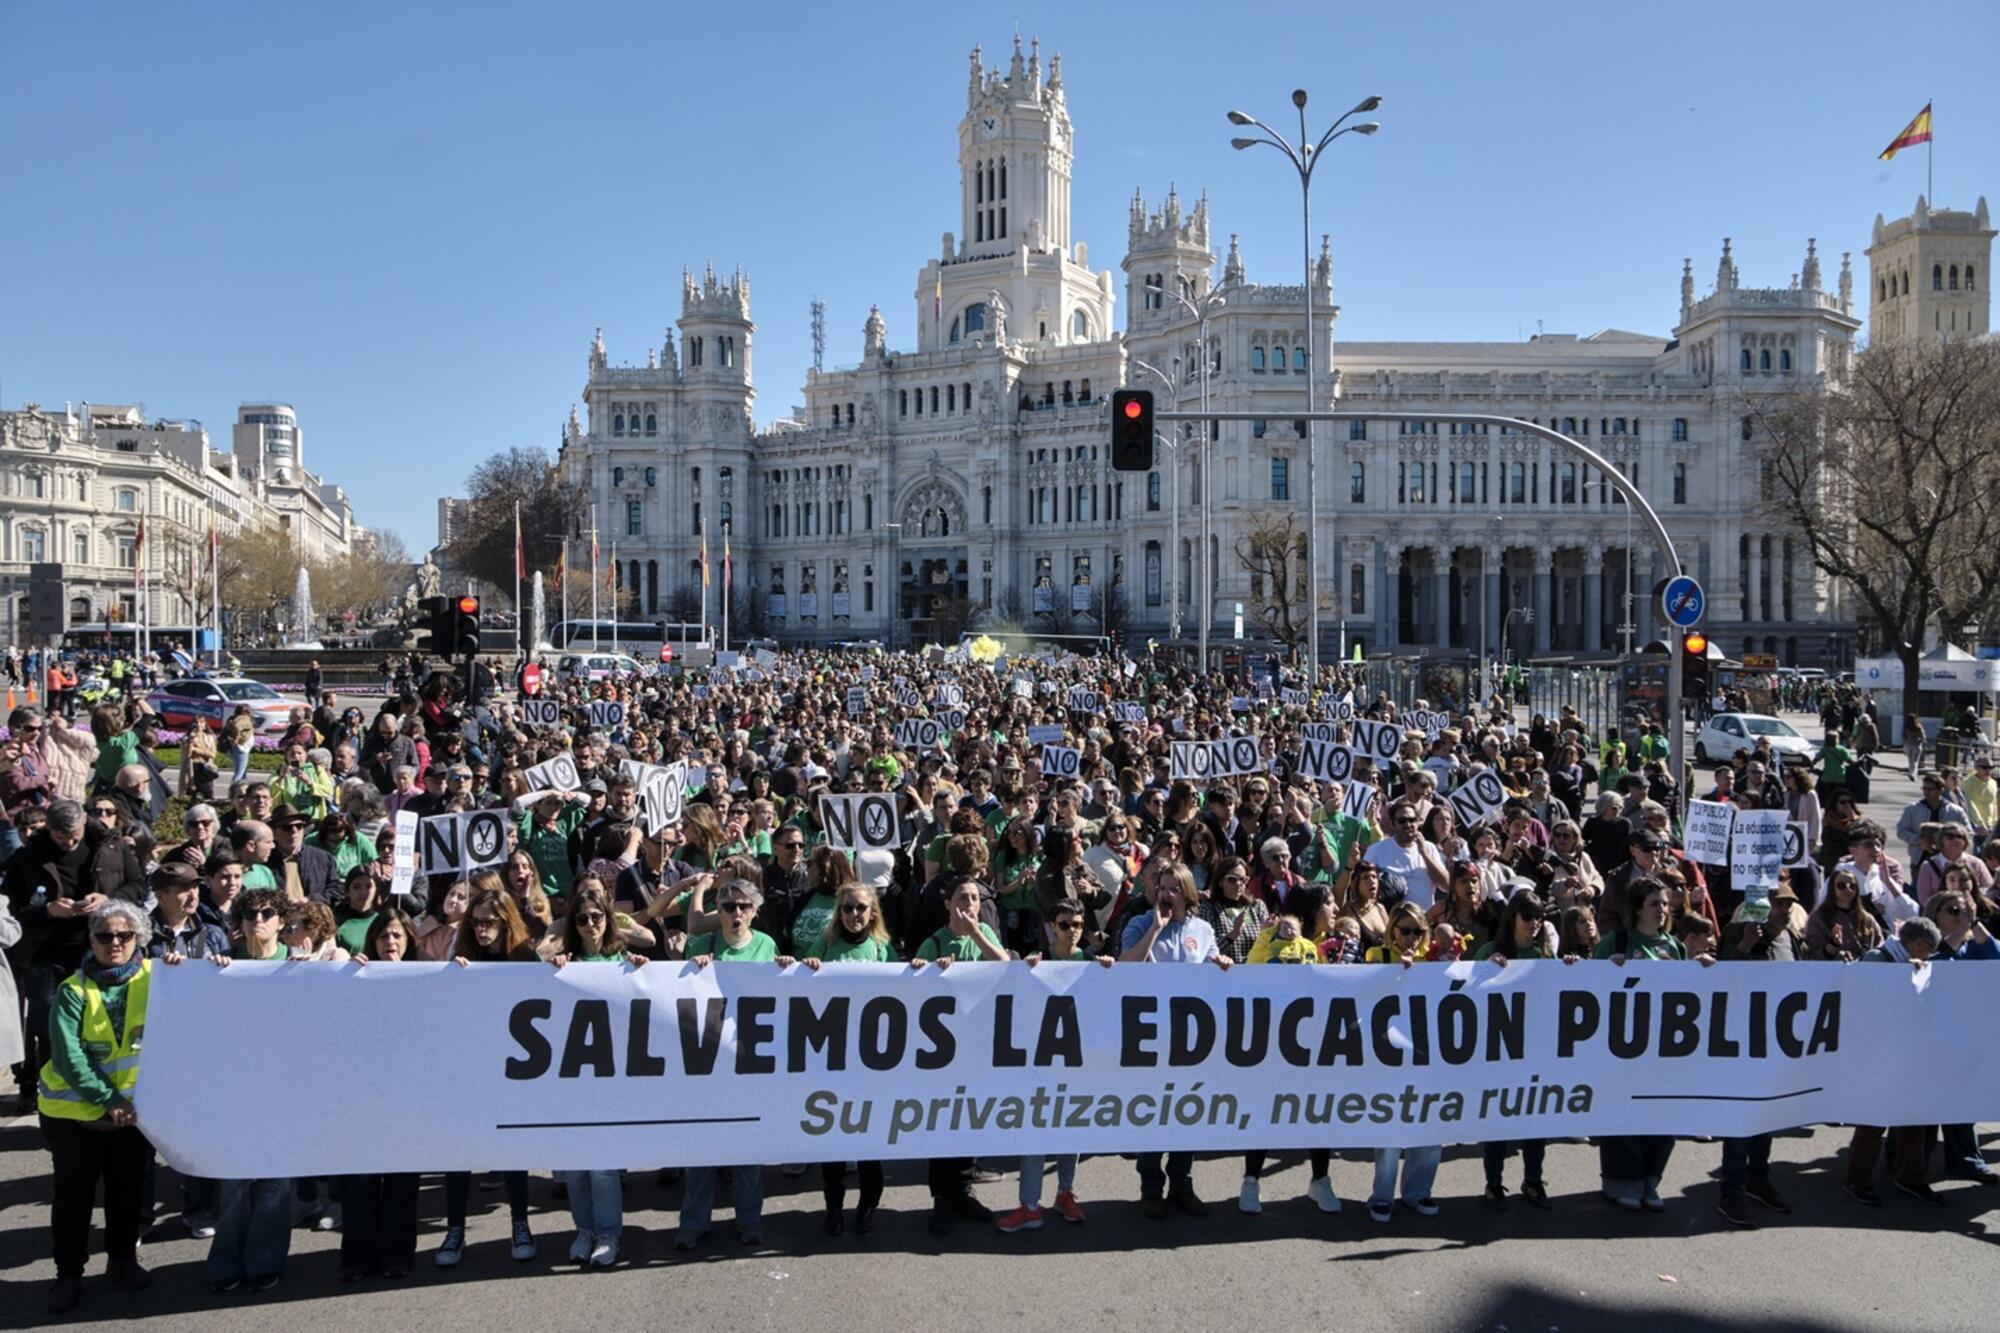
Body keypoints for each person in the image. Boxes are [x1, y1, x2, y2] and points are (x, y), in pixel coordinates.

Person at [37, 900, 156, 1314]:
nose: (115, 943)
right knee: (74, 1198)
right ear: (91, 940)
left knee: (128, 1192)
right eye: (104, 936)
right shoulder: (72, 991)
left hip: (133, 1115)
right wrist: (110, 1101)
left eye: (125, 936)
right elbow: (69, 1059)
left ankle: (122, 1261)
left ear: (139, 939)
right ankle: (68, 1275)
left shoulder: (159, 978)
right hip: (74, 1117)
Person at [4, 799, 147, 1108]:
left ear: (84, 823)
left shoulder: (111, 846)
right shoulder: (28, 857)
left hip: (101, 951)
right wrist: (47, 910)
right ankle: (56, 1094)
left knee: (99, 1026)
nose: (68, 843)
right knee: (52, 1028)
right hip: (47, 953)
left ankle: (104, 1091)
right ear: (48, 830)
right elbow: (12, 907)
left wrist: (109, 899)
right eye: (60, 837)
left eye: (74, 836)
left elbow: (138, 886)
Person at [1594, 879, 1711, 1210]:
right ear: (1637, 909)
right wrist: (1606, 971)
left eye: (1664, 904)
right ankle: (1621, 1183)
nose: (1662, 910)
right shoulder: (1615, 942)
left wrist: (1701, 970)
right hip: (1623, 1049)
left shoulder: (1673, 947)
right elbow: (1587, 989)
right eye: (1654, 904)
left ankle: (1650, 1180)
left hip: (1664, 1050)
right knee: (1624, 1116)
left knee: (1662, 1116)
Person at [1118, 861, 1227, 1218]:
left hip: (1192, 1039)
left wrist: (1221, 964)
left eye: (1173, 889)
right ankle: (1151, 1187)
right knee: (1155, 1112)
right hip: (1150, 1036)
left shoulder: (1202, 928)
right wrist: (1155, 928)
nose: (1165, 895)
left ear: (1187, 894)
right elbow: (1125, 965)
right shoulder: (1138, 924)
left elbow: (1210, 966)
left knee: (1188, 1112)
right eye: (1161, 888)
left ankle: (1183, 1183)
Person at [678, 880, 782, 1249]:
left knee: (747, 1153)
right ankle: (693, 1224)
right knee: (701, 1151)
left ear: (754, 910)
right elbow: (679, 994)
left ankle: (750, 1221)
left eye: (743, 906)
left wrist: (786, 968)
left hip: (748, 1062)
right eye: (727, 907)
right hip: (707, 1063)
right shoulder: (700, 945)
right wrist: (694, 966)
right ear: (717, 912)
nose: (735, 913)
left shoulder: (767, 945)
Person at [995, 896, 1109, 1233]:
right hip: (1041, 1063)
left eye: (1076, 925)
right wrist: (1027, 973)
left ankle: (1065, 1193)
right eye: (1064, 925)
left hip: (1076, 1063)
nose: (1072, 931)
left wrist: (1108, 971)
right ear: (1051, 927)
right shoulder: (1037, 963)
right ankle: (1030, 1205)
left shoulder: (1092, 962)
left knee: (1070, 1132)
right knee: (1035, 1135)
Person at [339, 909, 422, 1282]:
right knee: (360, 1183)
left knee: (402, 1183)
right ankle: (357, 1257)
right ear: (373, 941)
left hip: (408, 1097)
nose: (390, 943)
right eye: (384, 936)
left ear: (409, 942)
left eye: (397, 937)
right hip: (362, 1098)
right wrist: (346, 976)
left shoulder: (425, 979)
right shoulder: (356, 977)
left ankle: (397, 1255)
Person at [1474, 890, 1560, 1210]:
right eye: (1528, 917)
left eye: (1539, 917)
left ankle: (1533, 1179)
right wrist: (1485, 969)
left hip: (1535, 1051)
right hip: (1499, 1051)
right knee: (1498, 1121)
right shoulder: (1491, 950)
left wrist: (1569, 968)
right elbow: (1467, 994)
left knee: (1534, 1123)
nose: (1534, 924)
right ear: (1513, 918)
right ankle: (1494, 1183)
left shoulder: (1543, 954)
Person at [1362, 901, 1443, 1222]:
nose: (1411, 938)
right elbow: (1367, 994)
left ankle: (1417, 1191)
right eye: (1405, 931)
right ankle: (1382, 1196)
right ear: (1392, 930)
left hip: (1428, 1055)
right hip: (1390, 1057)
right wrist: (1398, 974)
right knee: (1391, 1131)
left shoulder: (1435, 961)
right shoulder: (1377, 957)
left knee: (1430, 1127)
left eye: (1417, 932)